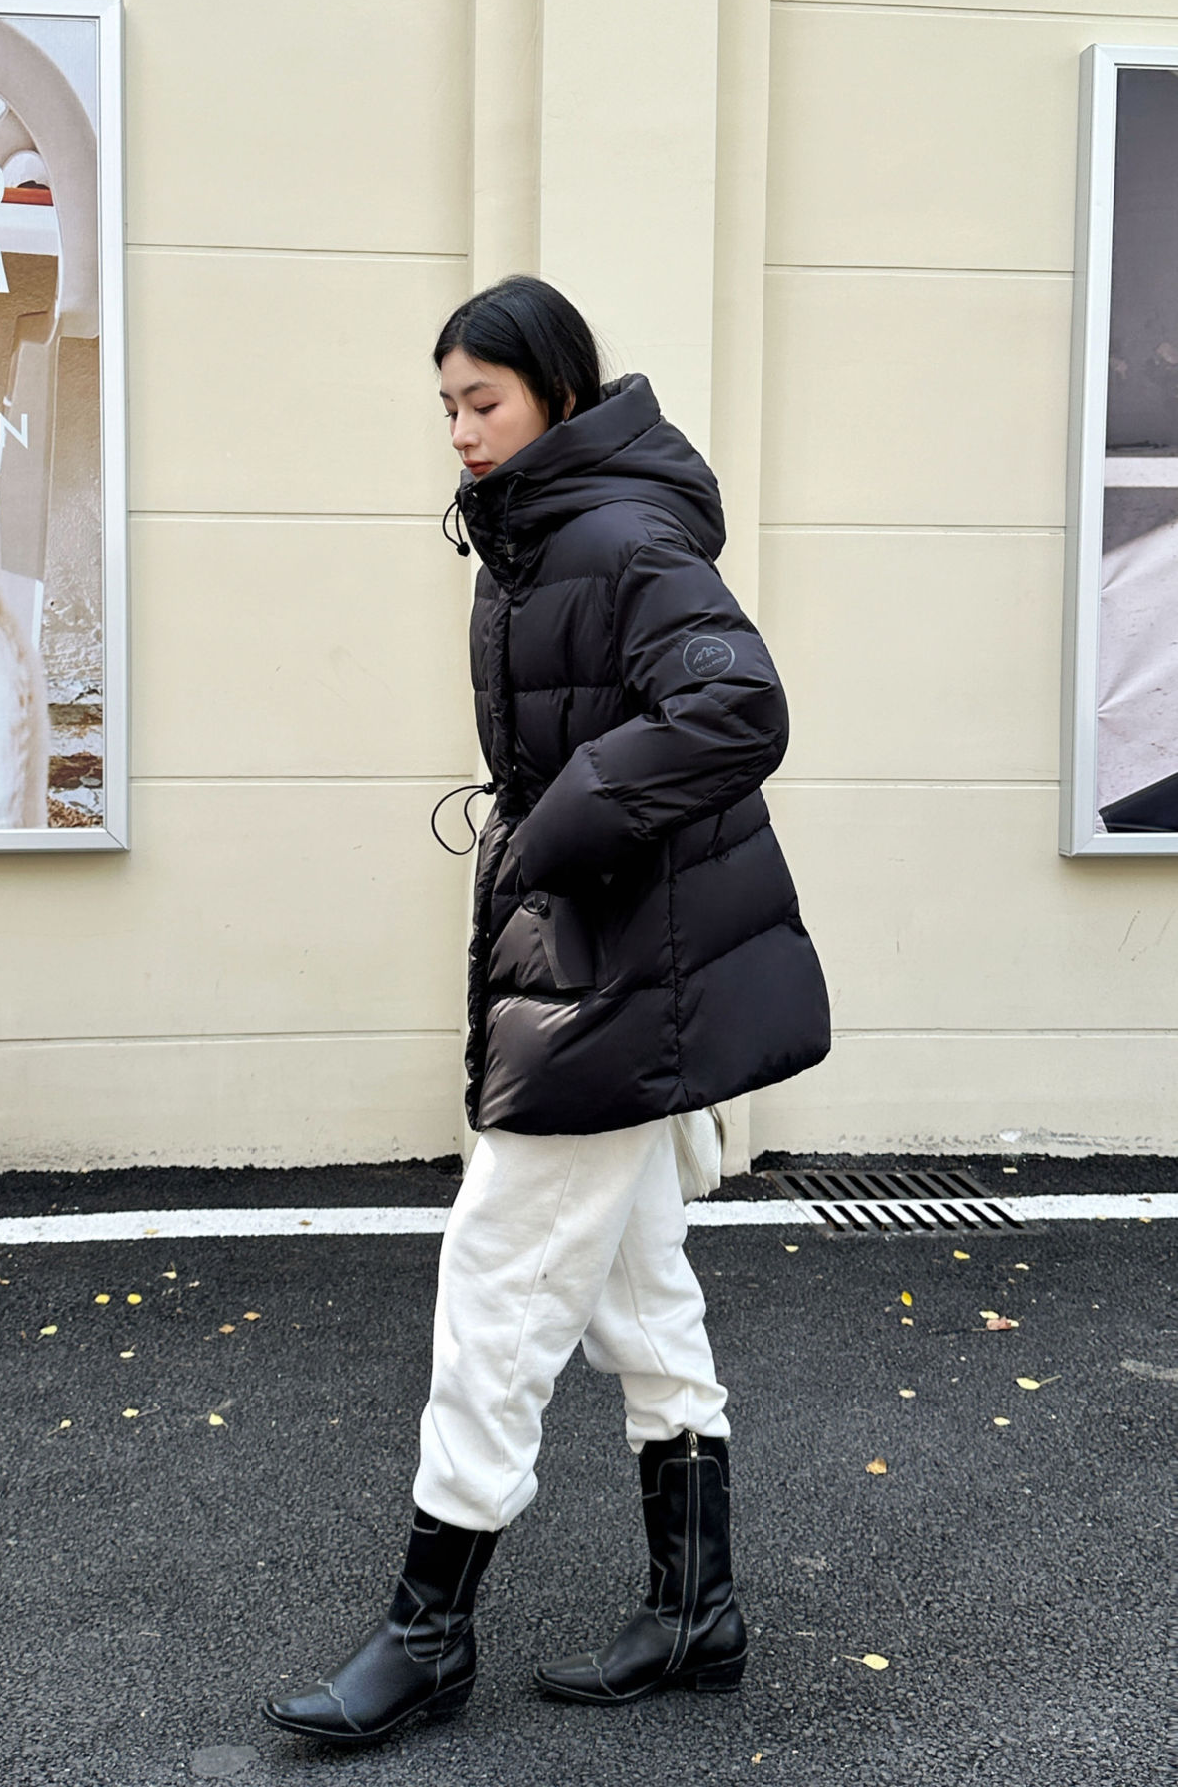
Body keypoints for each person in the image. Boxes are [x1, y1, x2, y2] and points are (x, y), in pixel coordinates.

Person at [262, 277, 830, 1746]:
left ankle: (428, 1635)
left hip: (623, 970)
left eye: (485, 402)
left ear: (557, 394)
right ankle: (697, 1611)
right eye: (446, 406)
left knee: (499, 1277)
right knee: (639, 1289)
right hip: (601, 952)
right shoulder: (534, 531)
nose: (459, 431)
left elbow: (737, 705)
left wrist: (561, 825)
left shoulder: (619, 536)